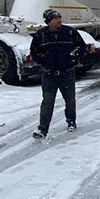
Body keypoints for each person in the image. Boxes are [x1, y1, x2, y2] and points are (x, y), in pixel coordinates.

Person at [31, 9, 86, 138]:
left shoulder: (70, 32)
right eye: (55, 18)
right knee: (47, 102)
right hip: (49, 74)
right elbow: (34, 53)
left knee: (70, 100)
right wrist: (44, 61)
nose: (59, 20)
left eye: (60, 17)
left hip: (67, 73)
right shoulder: (41, 35)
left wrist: (73, 58)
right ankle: (42, 129)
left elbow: (81, 47)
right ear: (48, 21)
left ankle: (71, 121)